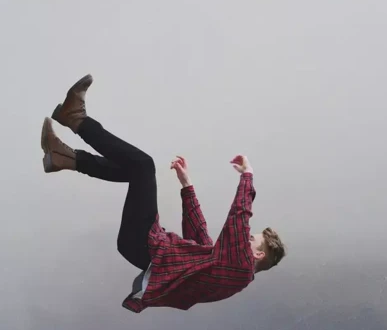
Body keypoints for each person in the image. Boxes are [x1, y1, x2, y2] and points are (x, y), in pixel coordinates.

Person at [40, 74, 286, 313]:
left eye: (252, 239)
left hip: (146, 247)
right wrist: (187, 186)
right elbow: (201, 242)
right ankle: (64, 158)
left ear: (258, 254)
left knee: (143, 165)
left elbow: (238, 220)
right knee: (134, 170)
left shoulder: (241, 268)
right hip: (143, 247)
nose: (246, 238)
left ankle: (76, 119)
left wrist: (247, 177)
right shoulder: (228, 271)